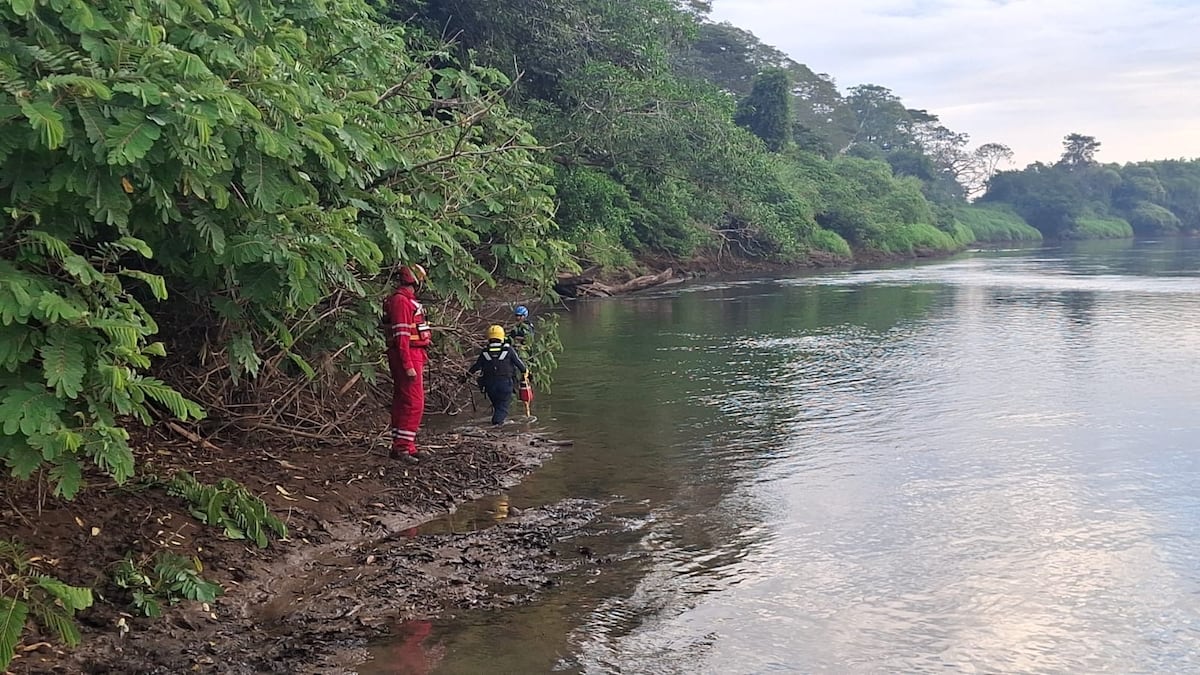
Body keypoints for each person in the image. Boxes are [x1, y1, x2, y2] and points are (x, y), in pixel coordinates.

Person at [384, 264, 432, 464]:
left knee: (404, 401)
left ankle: (405, 445)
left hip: (414, 353)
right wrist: (408, 365)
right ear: (416, 281)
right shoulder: (401, 302)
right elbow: (402, 337)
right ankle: (402, 446)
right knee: (414, 403)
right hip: (408, 354)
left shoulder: (407, 301)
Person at [468, 325, 527, 425]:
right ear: (502, 337)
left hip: (489, 385)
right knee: (502, 408)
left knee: (497, 407)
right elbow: (521, 366)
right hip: (505, 384)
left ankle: (497, 425)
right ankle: (496, 428)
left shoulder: (485, 352)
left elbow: (476, 367)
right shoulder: (508, 350)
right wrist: (527, 375)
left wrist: (465, 376)